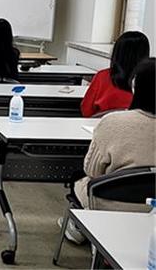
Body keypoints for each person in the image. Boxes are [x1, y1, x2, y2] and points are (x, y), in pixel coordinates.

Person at [62, 58, 156, 243]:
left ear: (135, 86)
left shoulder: (114, 122)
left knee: (80, 178)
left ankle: (80, 227)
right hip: (152, 209)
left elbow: (93, 171)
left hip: (109, 203)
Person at [81, 31, 150, 117]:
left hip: (101, 126)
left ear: (116, 52)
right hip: (139, 128)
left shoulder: (102, 76)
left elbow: (86, 110)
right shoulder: (150, 79)